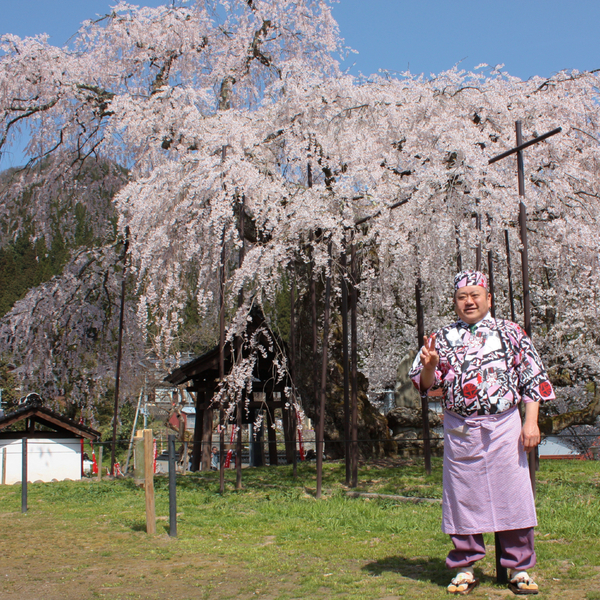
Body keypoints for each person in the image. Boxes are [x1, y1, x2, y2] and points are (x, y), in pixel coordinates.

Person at [409, 270, 554, 596]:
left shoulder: (511, 332)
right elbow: (424, 384)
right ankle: (464, 567)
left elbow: (533, 379)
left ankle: (519, 568)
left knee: (513, 496)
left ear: (488, 299)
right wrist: (430, 364)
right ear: (455, 302)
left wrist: (531, 422)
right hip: (461, 428)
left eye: (475, 295)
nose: (469, 302)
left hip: (505, 426)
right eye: (462, 297)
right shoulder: (441, 337)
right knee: (463, 498)